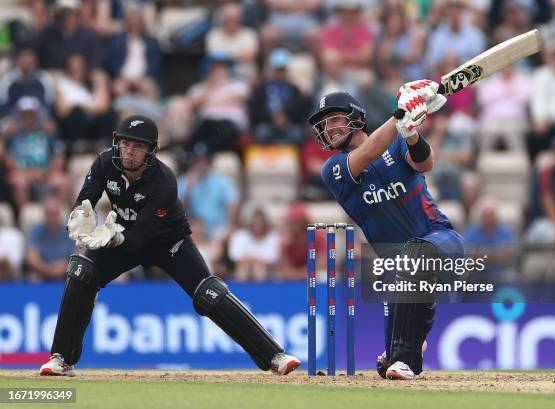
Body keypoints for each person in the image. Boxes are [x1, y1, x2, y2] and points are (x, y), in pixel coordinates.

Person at [39, 115, 300, 377]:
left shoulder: (164, 181)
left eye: (138, 147)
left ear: (151, 151)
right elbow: (86, 199)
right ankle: (62, 358)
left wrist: (112, 236)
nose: (129, 152)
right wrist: (80, 215)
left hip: (168, 241)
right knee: (82, 272)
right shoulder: (105, 162)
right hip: (121, 236)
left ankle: (274, 356)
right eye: (125, 144)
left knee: (209, 293)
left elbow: (142, 238)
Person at [307, 83, 464, 380]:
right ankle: (406, 355)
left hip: (443, 242)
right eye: (324, 123)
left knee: (416, 253)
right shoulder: (334, 169)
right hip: (399, 272)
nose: (329, 128)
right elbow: (367, 154)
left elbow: (426, 162)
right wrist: (401, 114)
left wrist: (411, 132)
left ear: (356, 117)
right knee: (387, 363)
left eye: (335, 118)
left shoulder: (396, 142)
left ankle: (407, 360)